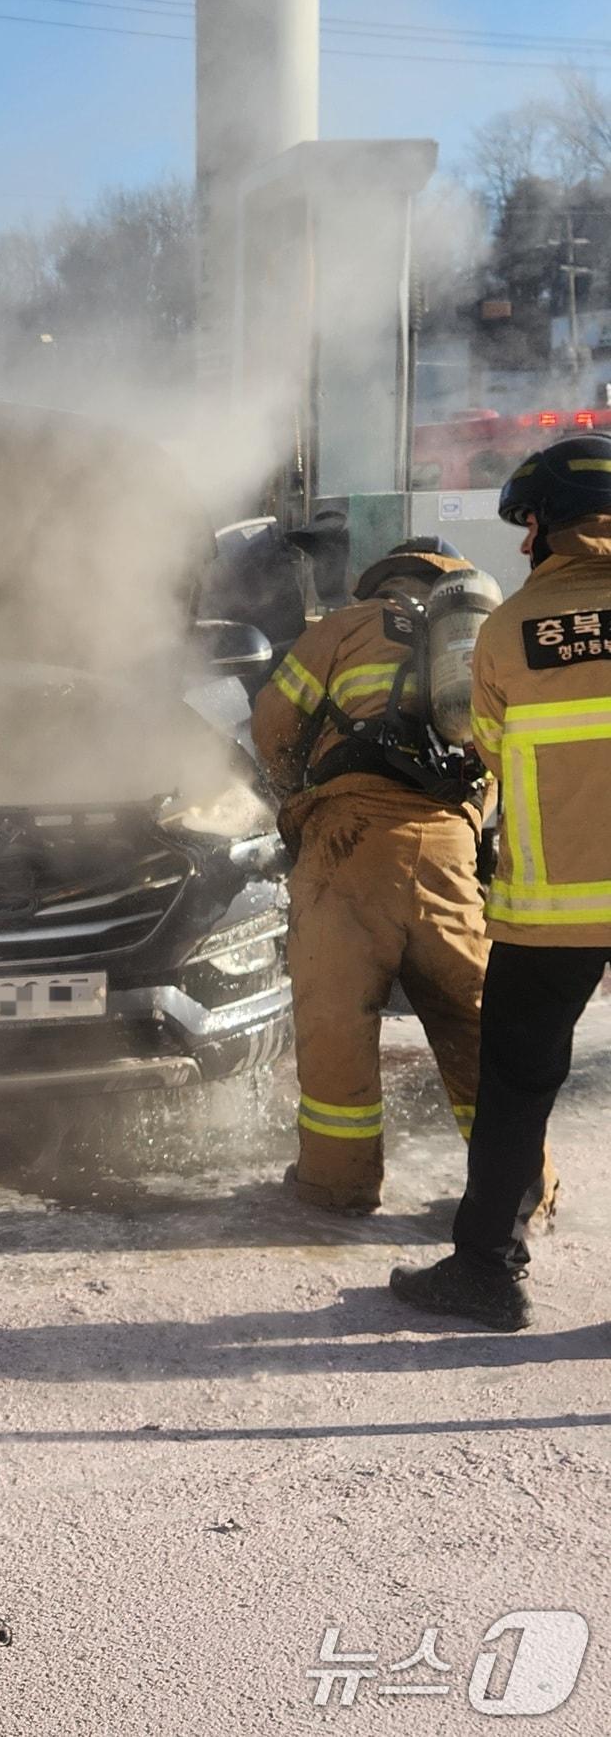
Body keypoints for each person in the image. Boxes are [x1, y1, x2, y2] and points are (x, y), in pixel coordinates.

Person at [391, 437, 611, 1330]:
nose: (523, 543)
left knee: (516, 1087)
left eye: (529, 525)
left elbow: (486, 744)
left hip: (552, 913)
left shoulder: (507, 630)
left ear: (553, 523)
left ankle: (485, 1268)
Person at [253, 537, 530, 1214]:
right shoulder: (480, 637)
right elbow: (498, 751)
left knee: (337, 1020)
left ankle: (338, 1184)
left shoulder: (345, 626)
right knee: (473, 1022)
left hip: (347, 844)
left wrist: (295, 790)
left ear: (386, 579)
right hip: (448, 847)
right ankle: (523, 1190)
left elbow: (272, 722)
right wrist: (466, 822)